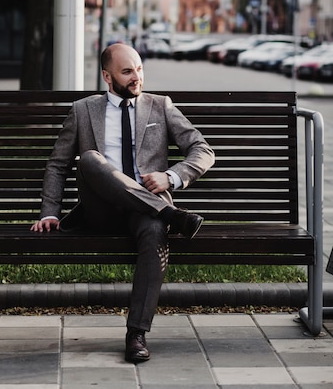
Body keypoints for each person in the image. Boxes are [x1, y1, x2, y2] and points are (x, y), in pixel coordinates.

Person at [31, 43, 215, 363]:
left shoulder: (161, 106)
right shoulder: (83, 110)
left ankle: (136, 334)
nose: (137, 77)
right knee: (89, 159)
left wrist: (170, 177)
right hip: (100, 210)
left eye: (139, 69)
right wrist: (49, 212)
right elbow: (58, 164)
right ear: (107, 76)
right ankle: (172, 214)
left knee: (155, 232)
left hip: (145, 210)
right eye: (127, 71)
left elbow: (202, 150)